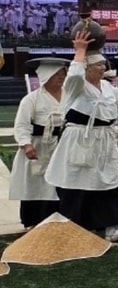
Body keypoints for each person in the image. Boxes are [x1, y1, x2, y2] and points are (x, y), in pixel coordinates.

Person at [44, 29, 118, 242]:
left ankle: (112, 228)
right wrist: (80, 51)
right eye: (98, 64)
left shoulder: (107, 87)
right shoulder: (75, 87)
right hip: (80, 139)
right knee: (77, 183)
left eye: (103, 64)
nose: (103, 67)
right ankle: (75, 229)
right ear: (87, 68)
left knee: (107, 182)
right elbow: (74, 75)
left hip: (105, 139)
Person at [9, 58, 67, 228]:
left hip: (61, 144)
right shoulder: (31, 99)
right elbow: (21, 124)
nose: (61, 77)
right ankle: (32, 221)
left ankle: (58, 219)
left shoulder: (69, 96)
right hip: (38, 145)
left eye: (63, 74)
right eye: (57, 74)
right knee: (35, 184)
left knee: (59, 183)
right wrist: (26, 144)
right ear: (46, 75)